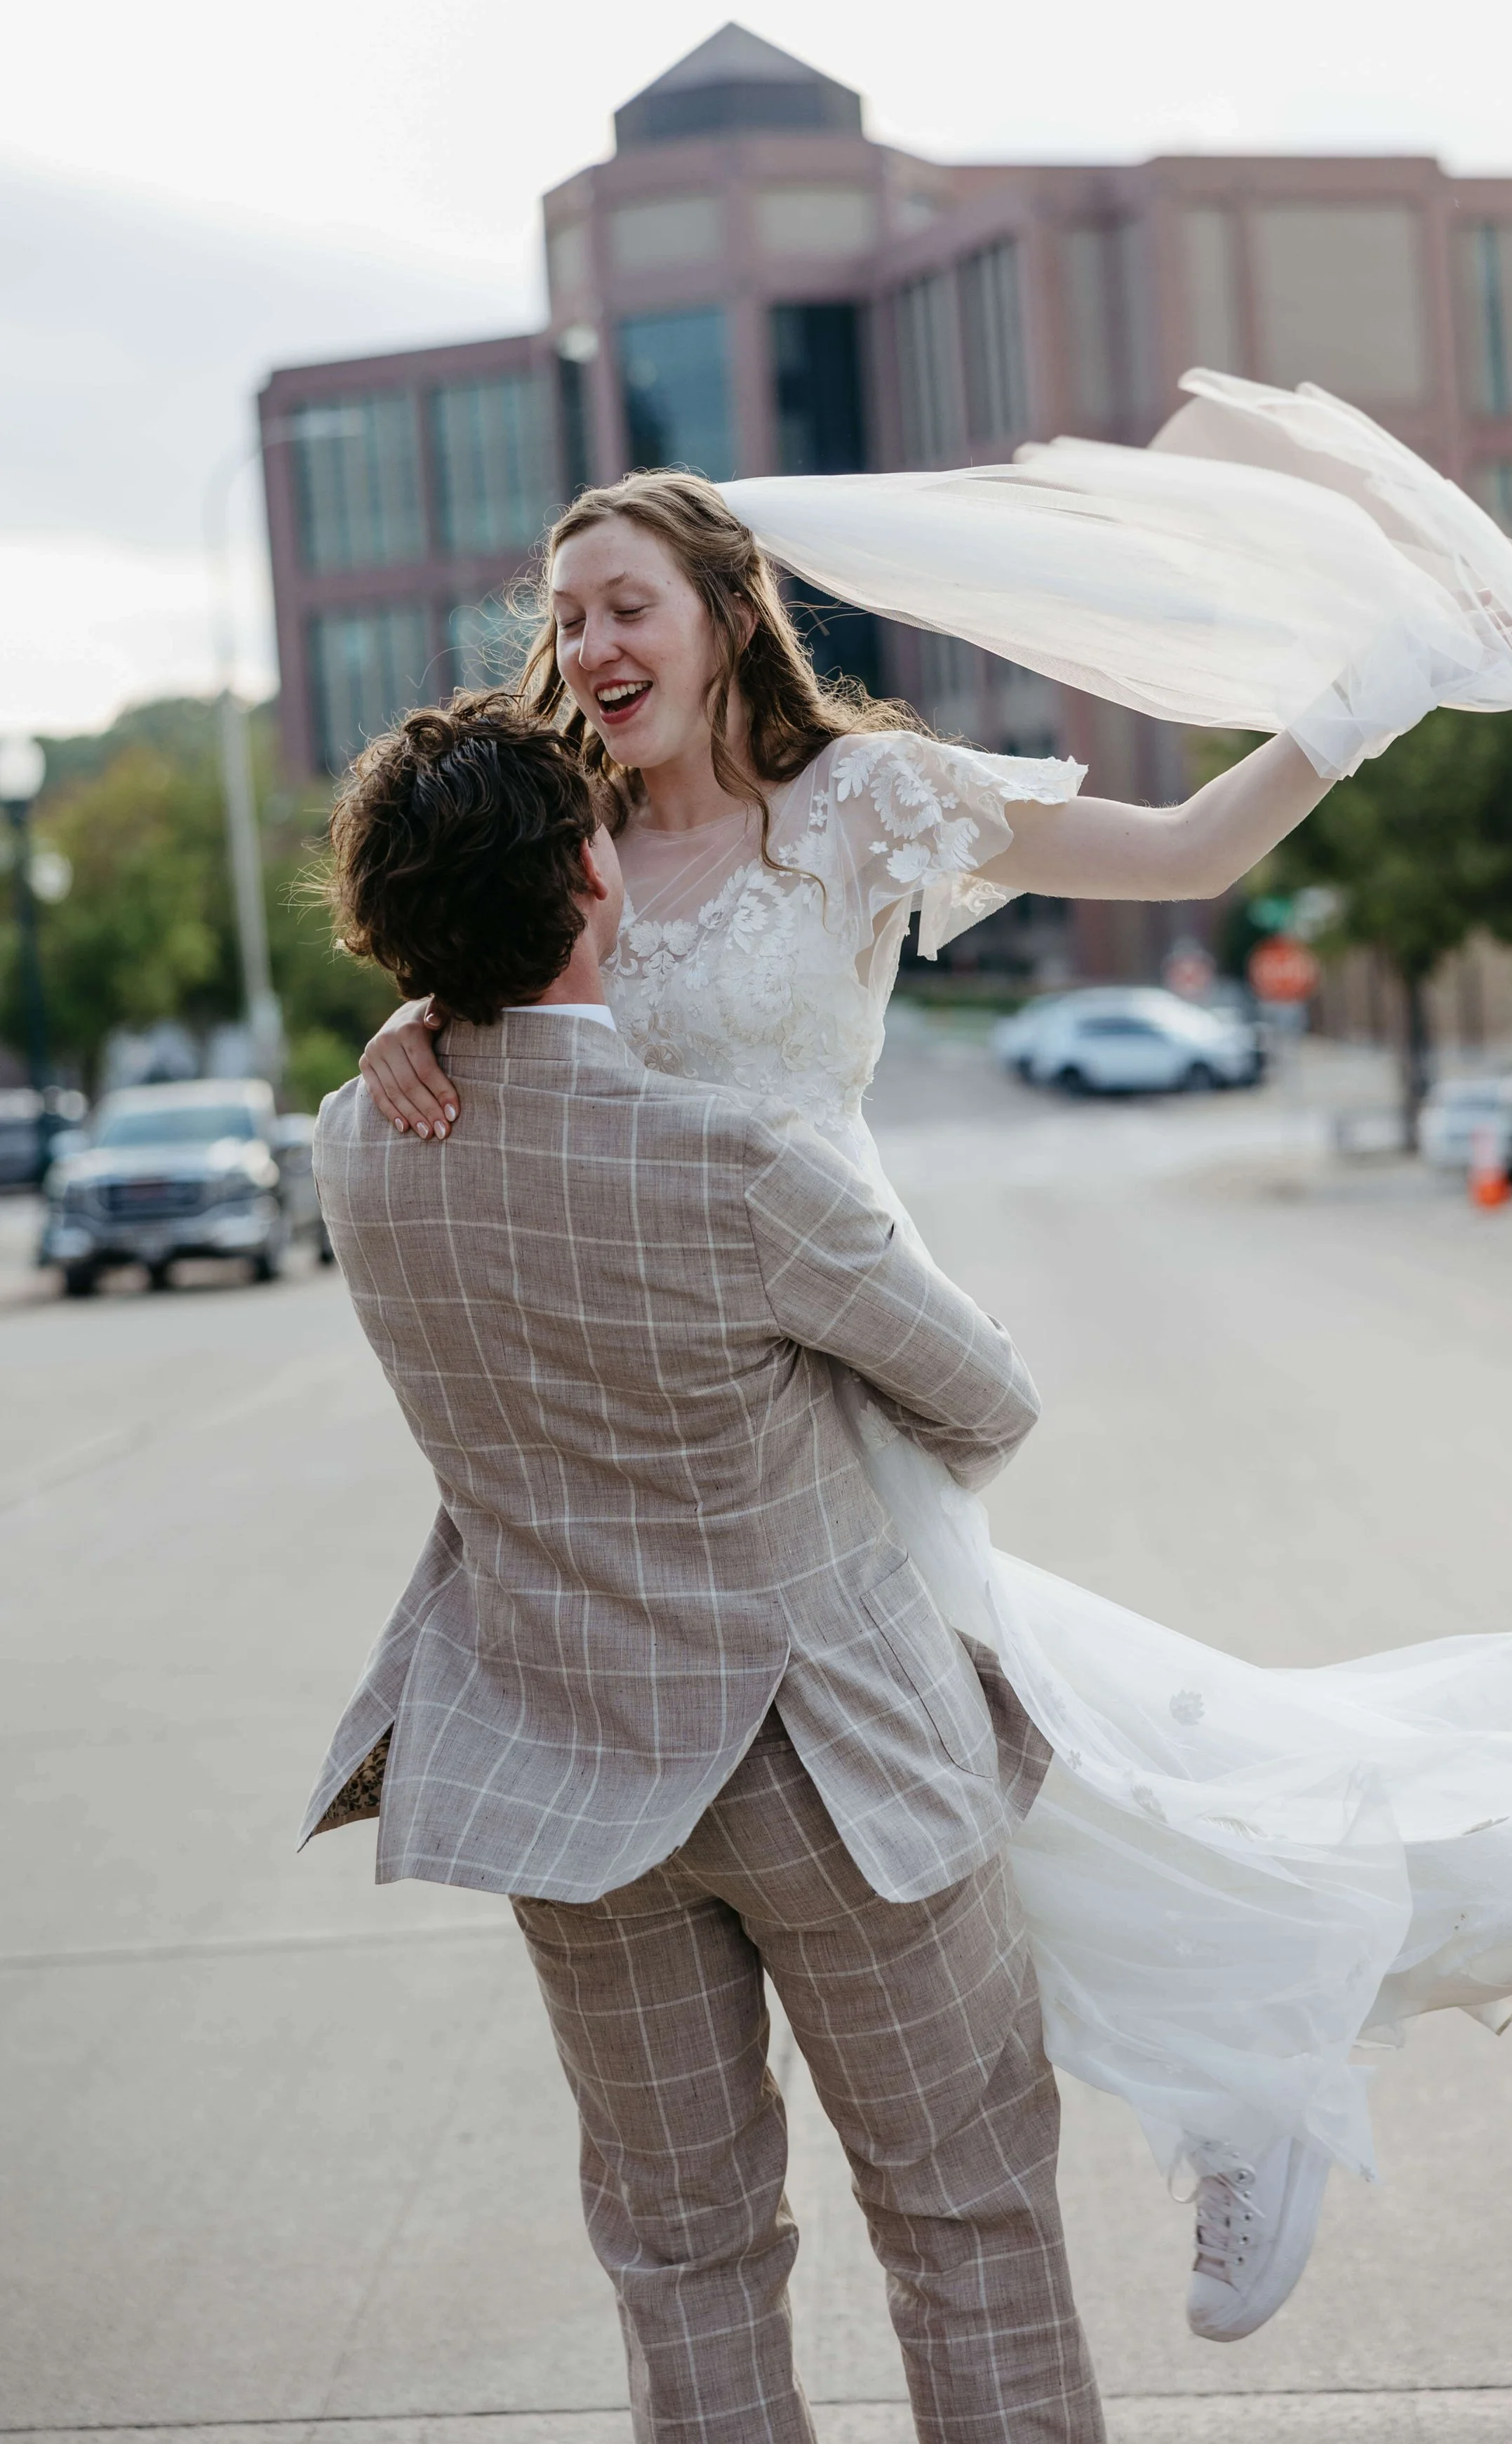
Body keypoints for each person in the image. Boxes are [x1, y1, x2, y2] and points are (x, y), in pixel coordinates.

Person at [359, 399, 1512, 2344]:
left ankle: (1244, 2075)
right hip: (672, 1393)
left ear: (723, 612)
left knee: (978, 1785)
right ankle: (1250, 2063)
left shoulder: (860, 801)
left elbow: (1182, 852)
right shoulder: (562, 839)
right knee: (1017, 1773)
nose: (591, 646)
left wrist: (1350, 710)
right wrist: (408, 1030)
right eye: (568, 613)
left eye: (627, 604)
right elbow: (498, 997)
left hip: (846, 1343)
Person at [306, 694, 1106, 2443]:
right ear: (593, 878)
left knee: (680, 2254)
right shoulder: (735, 1165)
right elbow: (985, 1400)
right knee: (964, 2220)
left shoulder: (356, 1145)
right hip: (836, 1772)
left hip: (562, 1776)